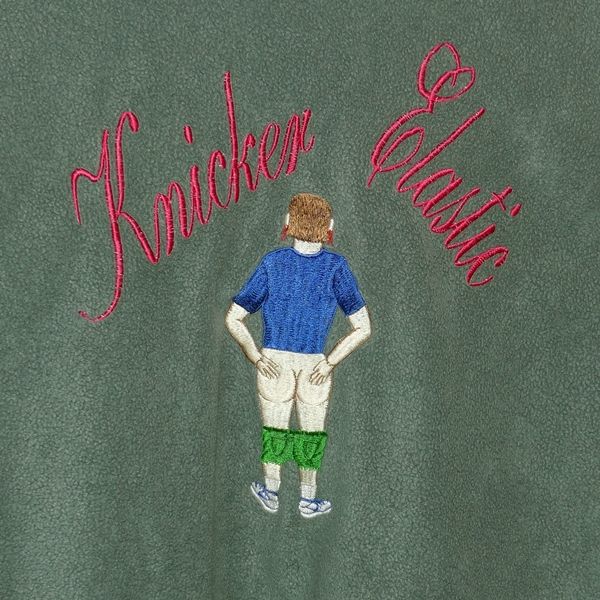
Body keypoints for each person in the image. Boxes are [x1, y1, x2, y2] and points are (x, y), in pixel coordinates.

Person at [225, 193, 371, 518]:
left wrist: (255, 356)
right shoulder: (336, 267)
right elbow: (363, 327)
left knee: (275, 430)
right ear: (329, 227)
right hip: (315, 364)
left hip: (274, 360)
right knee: (311, 434)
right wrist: (330, 361)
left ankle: (271, 491)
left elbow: (234, 317)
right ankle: (308, 498)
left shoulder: (272, 263)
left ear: (288, 222)